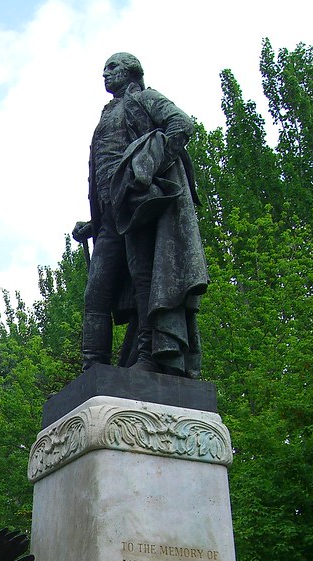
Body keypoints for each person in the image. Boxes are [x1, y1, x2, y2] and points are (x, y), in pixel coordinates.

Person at [73, 52, 207, 376]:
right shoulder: (105, 116)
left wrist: (147, 170)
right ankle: (94, 366)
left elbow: (181, 125)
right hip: (110, 218)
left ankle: (149, 355)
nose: (105, 73)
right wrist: (93, 223)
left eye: (112, 67)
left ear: (131, 72)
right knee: (96, 290)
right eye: (103, 68)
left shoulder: (145, 98)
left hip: (139, 208)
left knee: (144, 280)